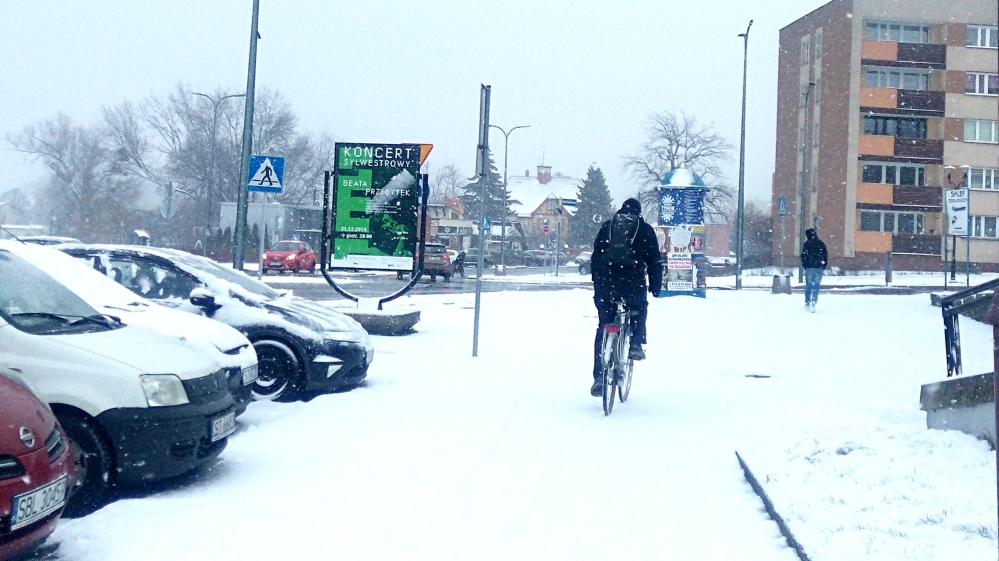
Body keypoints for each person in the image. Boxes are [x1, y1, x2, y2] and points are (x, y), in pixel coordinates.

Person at [589, 198, 663, 397]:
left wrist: (597, 282)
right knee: (639, 307)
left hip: (606, 284)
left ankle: (598, 376)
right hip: (632, 282)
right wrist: (656, 287)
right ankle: (636, 344)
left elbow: (596, 256)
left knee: (604, 324)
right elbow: (655, 260)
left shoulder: (607, 227)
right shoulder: (644, 230)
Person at [800, 228, 828, 312]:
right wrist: (823, 265)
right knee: (816, 285)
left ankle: (808, 301)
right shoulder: (821, 243)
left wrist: (805, 265)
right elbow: (825, 255)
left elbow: (803, 256)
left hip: (809, 267)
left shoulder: (806, 244)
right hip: (819, 266)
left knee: (809, 285)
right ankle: (814, 301)